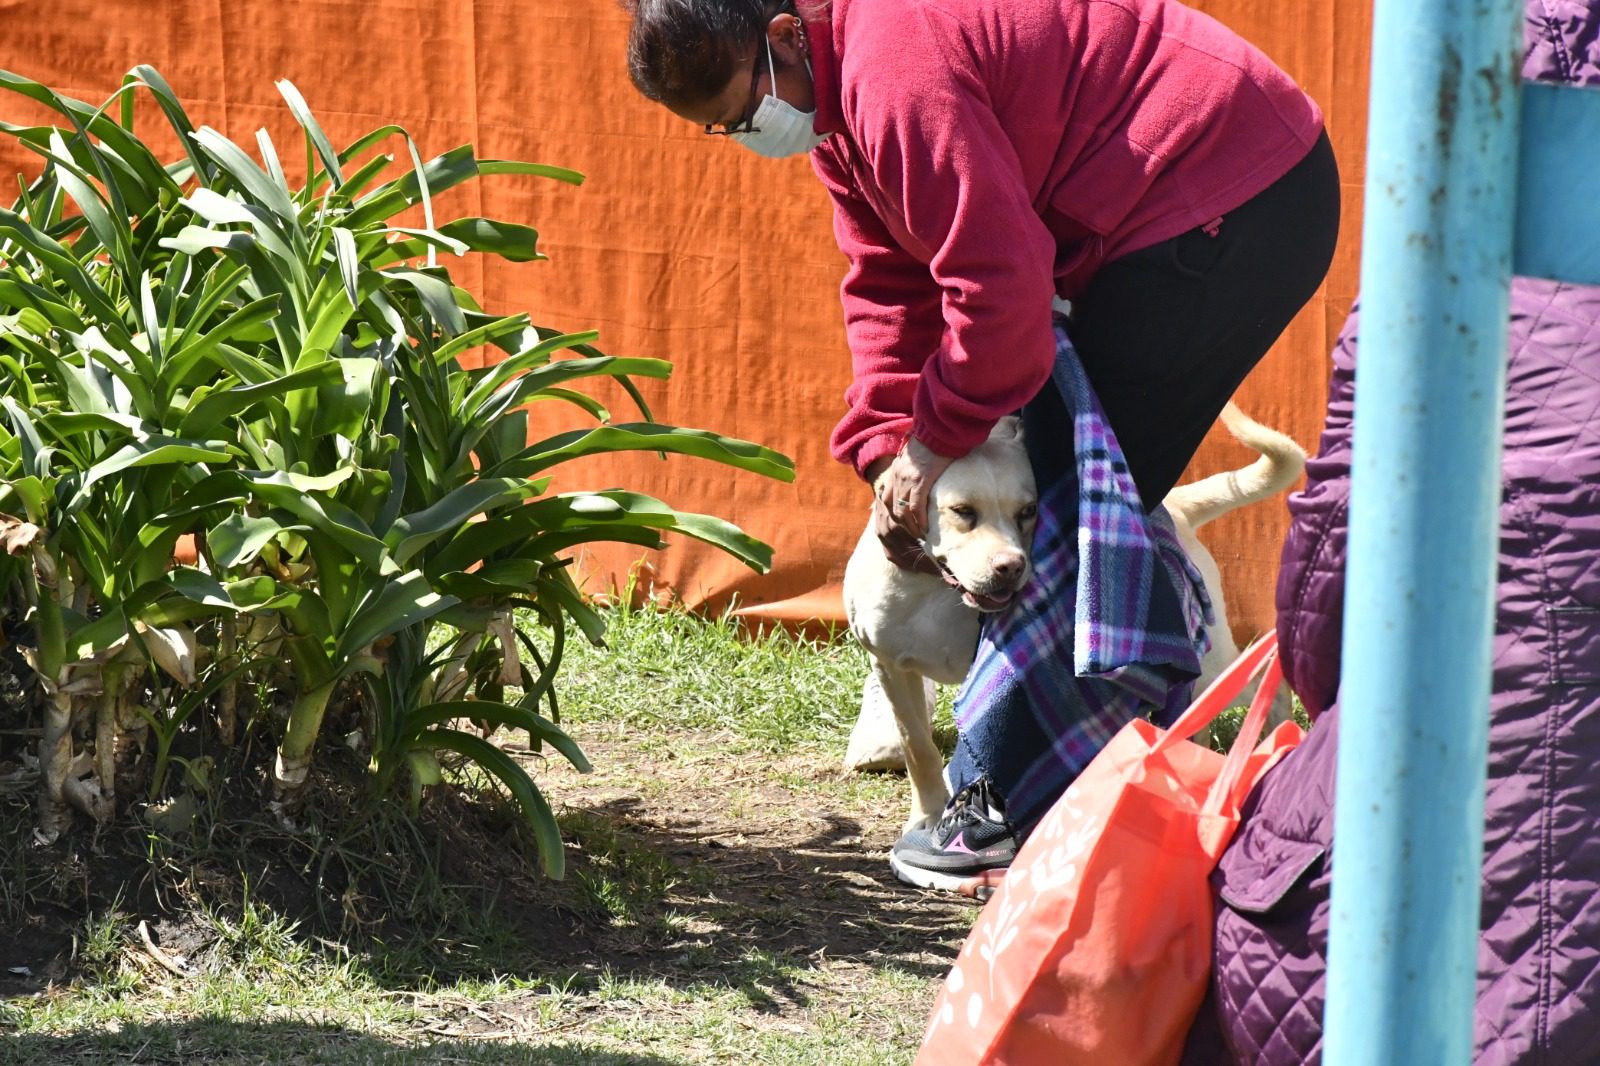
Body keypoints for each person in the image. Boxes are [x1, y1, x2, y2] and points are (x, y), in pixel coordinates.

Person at [624, 0, 1340, 891]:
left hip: (1237, 191)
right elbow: (889, 280)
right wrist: (890, 446)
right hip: (1183, 196)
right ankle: (1092, 770)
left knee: (1073, 487)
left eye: (741, 111)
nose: (746, 135)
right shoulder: (840, 103)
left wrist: (933, 447)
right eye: (721, 131)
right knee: (1056, 481)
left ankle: (1001, 801)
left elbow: (998, 294)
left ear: (778, 35)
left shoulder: (891, 73)